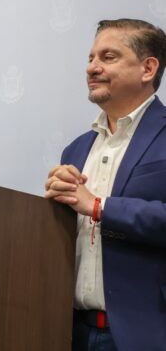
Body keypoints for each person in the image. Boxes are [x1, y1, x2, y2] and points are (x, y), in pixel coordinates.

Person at [44, 19, 166, 351]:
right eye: (90, 58)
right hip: (70, 330)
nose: (92, 68)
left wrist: (100, 206)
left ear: (148, 68)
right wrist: (52, 204)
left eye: (108, 57)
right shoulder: (75, 149)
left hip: (145, 334)